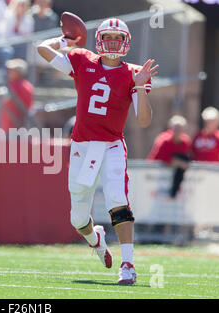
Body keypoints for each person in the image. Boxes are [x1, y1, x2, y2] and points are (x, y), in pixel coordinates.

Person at [37, 17, 157, 285]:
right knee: (78, 219)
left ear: (126, 42)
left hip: (112, 145)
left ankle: (128, 265)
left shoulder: (133, 73)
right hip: (82, 145)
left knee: (117, 198)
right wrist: (65, 41)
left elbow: (144, 121)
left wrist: (139, 86)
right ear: (100, 40)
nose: (113, 43)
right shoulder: (82, 59)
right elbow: (42, 49)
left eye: (118, 38)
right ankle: (97, 241)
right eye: (109, 37)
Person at [148, 115, 192, 198]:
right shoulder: (164, 140)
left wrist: (180, 163)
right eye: (175, 128)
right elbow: (162, 158)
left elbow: (186, 156)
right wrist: (180, 163)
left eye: (180, 128)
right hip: (156, 173)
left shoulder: (185, 141)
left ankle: (174, 192)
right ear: (170, 128)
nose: (177, 131)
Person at [0, 58, 34, 132]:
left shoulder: (17, 85)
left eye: (13, 70)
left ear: (19, 72)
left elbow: (2, 97)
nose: (9, 72)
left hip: (13, 125)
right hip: (19, 124)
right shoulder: (27, 85)